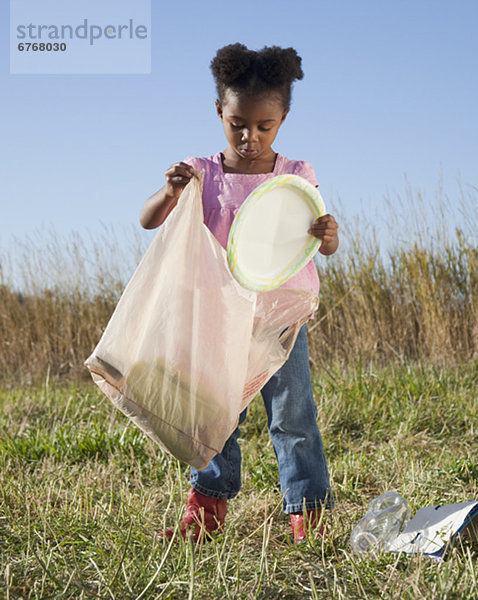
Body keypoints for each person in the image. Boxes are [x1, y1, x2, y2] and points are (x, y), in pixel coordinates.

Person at [140, 43, 339, 544]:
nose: (250, 137)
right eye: (237, 124)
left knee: (294, 417)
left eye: (264, 126)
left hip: (279, 322)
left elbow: (318, 244)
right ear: (219, 113)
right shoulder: (201, 173)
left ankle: (307, 516)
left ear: (283, 119)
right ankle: (205, 513)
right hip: (218, 320)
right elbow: (148, 220)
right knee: (216, 418)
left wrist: (329, 236)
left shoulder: (295, 177)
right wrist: (170, 191)